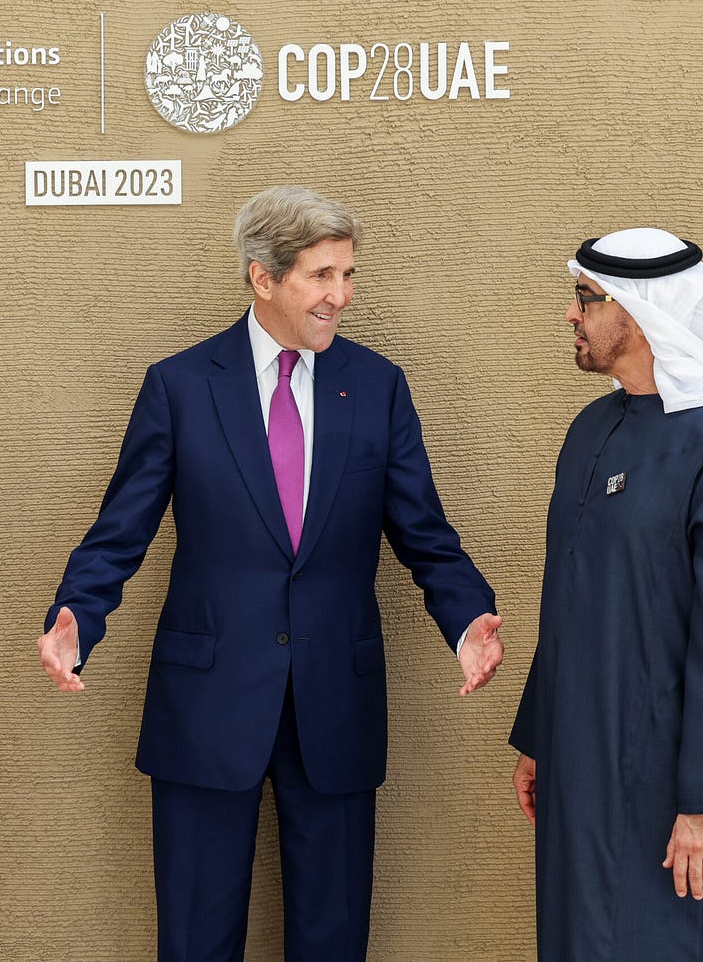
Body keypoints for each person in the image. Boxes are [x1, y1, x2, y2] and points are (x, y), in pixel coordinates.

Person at [37, 186, 502, 961]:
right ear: (263, 277)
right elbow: (121, 531)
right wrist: (77, 618)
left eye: (348, 275)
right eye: (322, 276)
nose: (341, 296)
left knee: (333, 937)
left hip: (337, 702)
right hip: (206, 704)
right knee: (196, 938)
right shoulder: (180, 386)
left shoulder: (377, 386)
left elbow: (425, 533)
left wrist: (464, 624)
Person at [509, 228, 703, 960]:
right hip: (582, 761)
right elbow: (570, 593)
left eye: (585, 299)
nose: (571, 315)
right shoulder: (592, 430)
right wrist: (541, 736)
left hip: (675, 774)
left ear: (638, 312)